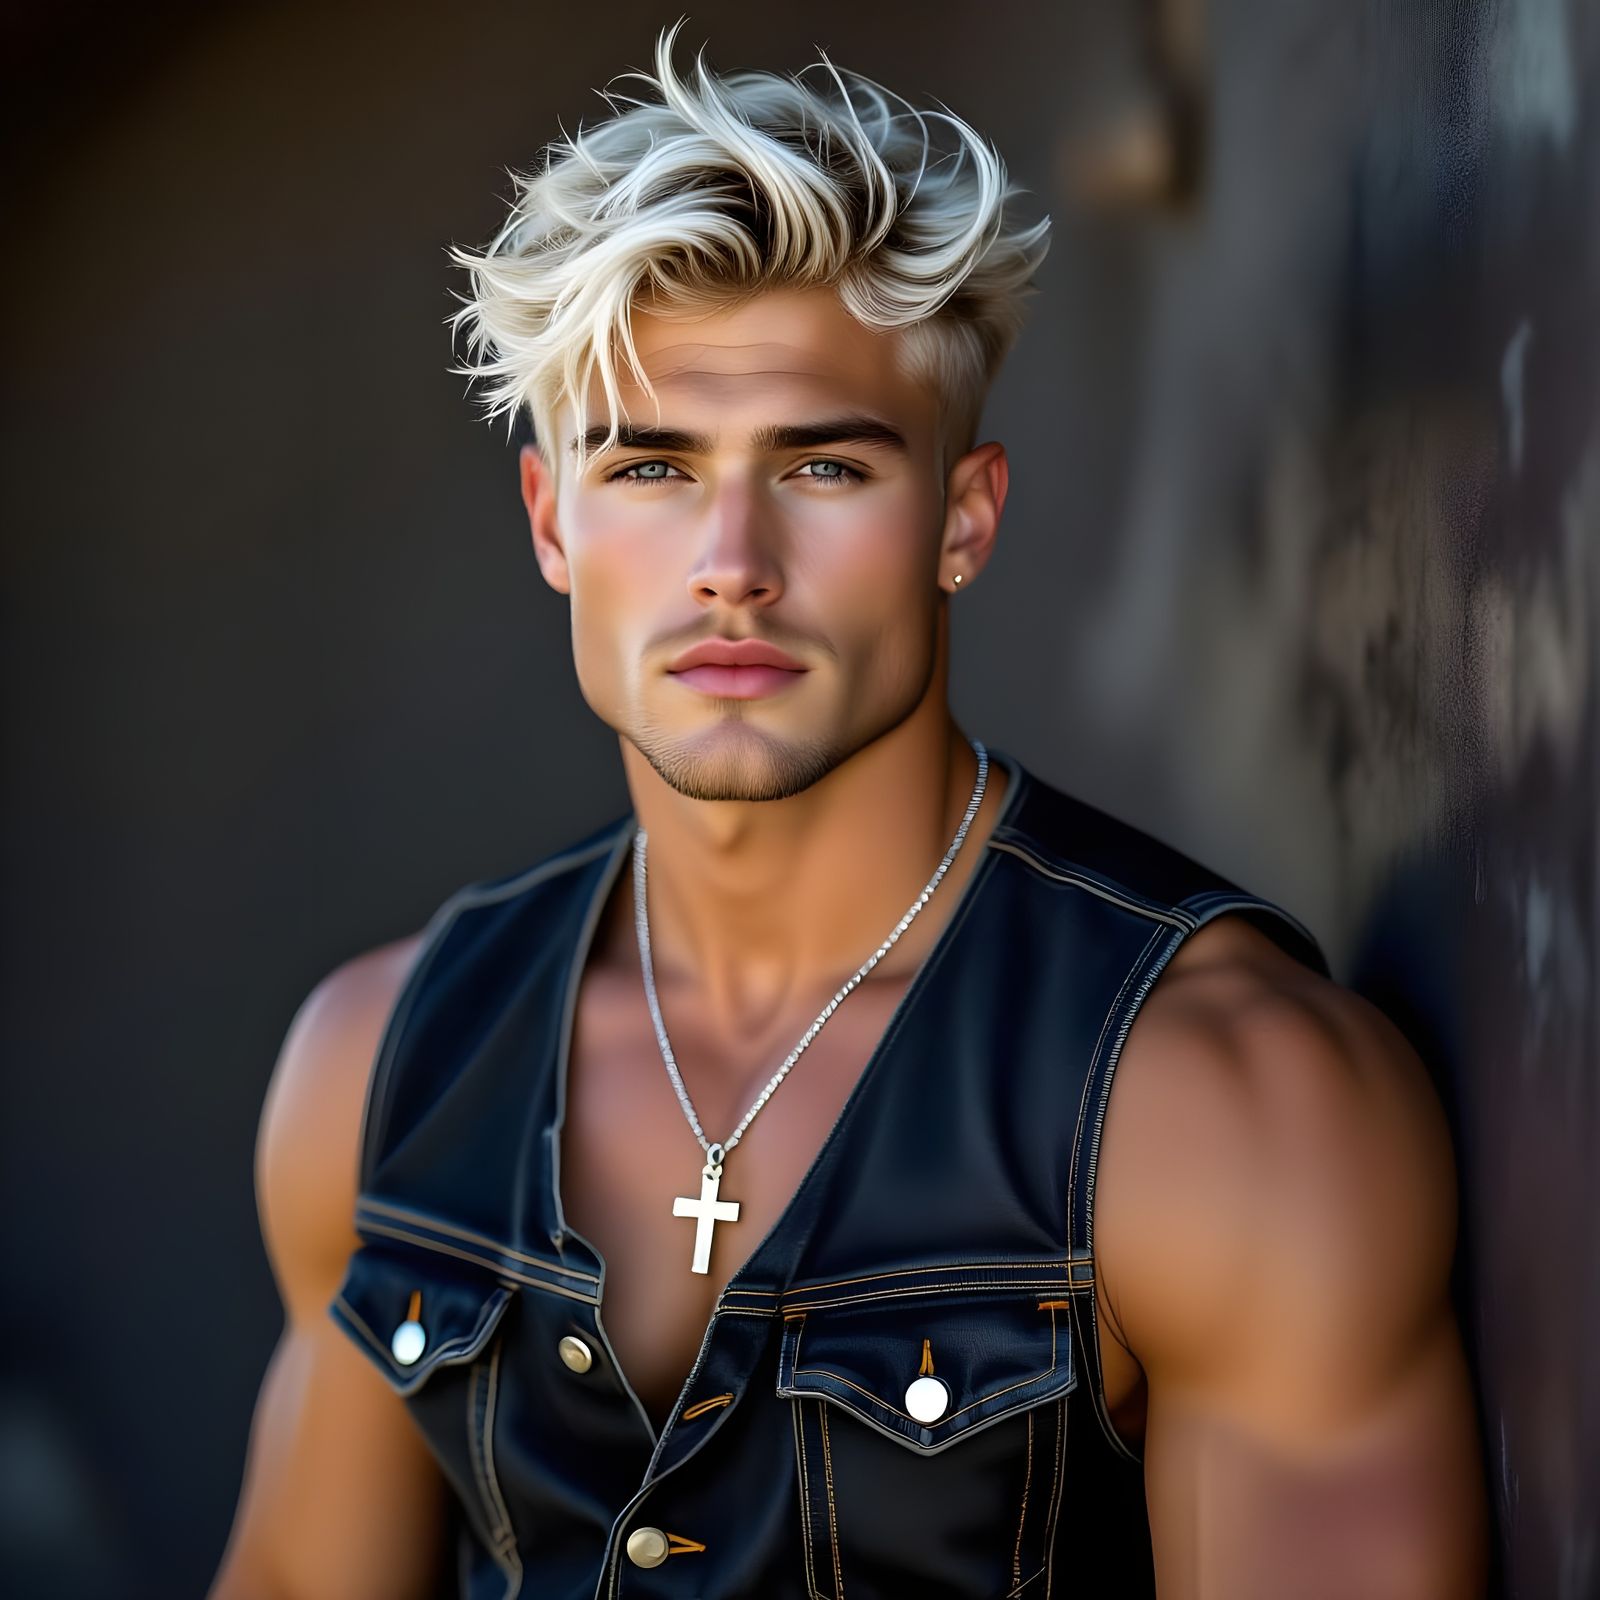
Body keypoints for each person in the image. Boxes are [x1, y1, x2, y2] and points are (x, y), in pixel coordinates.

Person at [208, 24, 1487, 1600]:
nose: (731, 563)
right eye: (653, 469)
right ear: (551, 522)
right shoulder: (381, 1068)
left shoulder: (1225, 1107)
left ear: (963, 518)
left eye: (821, 468)